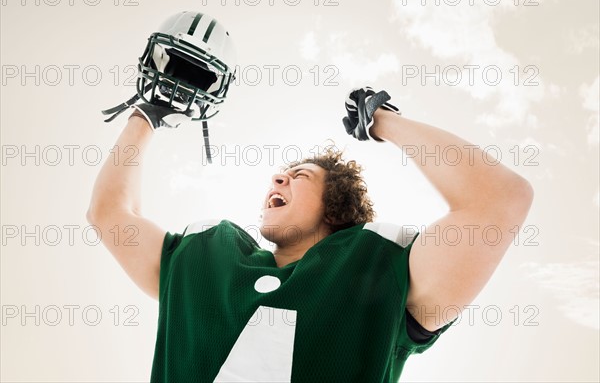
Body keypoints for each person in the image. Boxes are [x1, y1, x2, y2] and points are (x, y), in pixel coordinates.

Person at [87, 87, 534, 382]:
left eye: (298, 175)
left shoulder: (380, 265)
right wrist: (147, 115)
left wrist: (379, 120)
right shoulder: (207, 254)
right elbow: (109, 214)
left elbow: (498, 201)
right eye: (278, 176)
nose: (277, 181)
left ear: (336, 205)